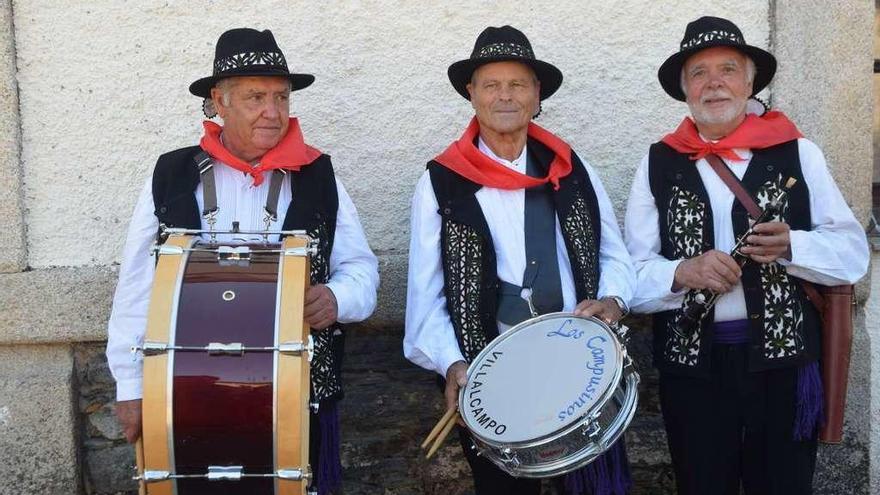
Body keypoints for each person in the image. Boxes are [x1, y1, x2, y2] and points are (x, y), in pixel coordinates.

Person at [105, 28, 379, 494]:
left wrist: (336, 297)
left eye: (281, 97)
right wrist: (131, 387)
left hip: (298, 390)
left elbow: (363, 272)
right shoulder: (172, 176)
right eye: (255, 97)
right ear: (219, 100)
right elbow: (137, 287)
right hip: (187, 390)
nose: (272, 112)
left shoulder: (317, 175)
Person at [624, 16, 869, 495]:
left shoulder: (799, 152)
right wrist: (681, 272)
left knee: (782, 484)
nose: (714, 83)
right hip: (692, 368)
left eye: (728, 69)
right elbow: (631, 275)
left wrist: (793, 245)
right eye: (699, 72)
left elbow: (852, 253)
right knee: (702, 484)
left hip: (784, 367)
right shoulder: (659, 161)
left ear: (751, 81)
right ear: (684, 88)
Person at [404, 25, 636, 495]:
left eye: (518, 84)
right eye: (491, 85)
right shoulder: (441, 182)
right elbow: (424, 298)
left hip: (580, 367)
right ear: (472, 95)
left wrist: (613, 301)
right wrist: (452, 364)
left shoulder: (572, 168)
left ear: (536, 95)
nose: (504, 96)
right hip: (492, 379)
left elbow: (614, 254)